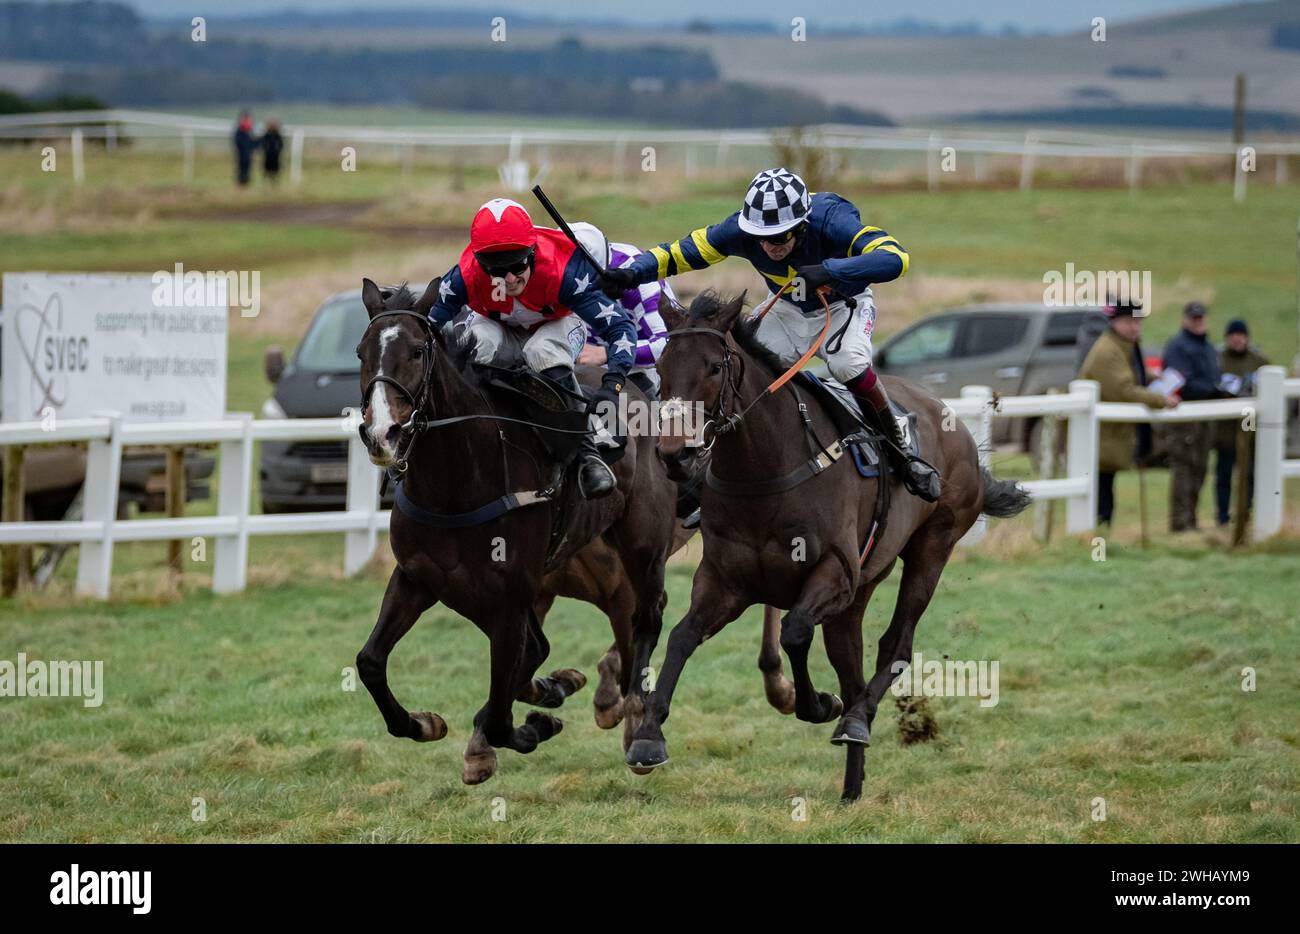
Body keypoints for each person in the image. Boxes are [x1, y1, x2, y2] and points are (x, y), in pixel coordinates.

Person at [600, 167, 939, 501]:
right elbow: (679, 252)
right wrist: (631, 273)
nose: (769, 247)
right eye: (761, 238)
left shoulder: (833, 220)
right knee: (746, 373)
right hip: (787, 309)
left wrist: (830, 270)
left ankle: (902, 454)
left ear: (802, 226)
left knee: (847, 363)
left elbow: (896, 258)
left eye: (779, 238)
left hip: (843, 305)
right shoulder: (740, 230)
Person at [426, 198, 638, 500]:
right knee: (477, 344)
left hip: (559, 324)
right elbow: (425, 331)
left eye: (517, 265)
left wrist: (613, 383)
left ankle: (586, 454)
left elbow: (620, 329)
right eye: (497, 270)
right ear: (479, 263)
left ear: (533, 252)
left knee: (542, 350)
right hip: (496, 326)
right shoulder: (464, 276)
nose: (510, 279)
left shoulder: (565, 272)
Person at [1080, 300, 1178, 526]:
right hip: (1102, 435)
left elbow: (1128, 378)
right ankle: (1097, 537)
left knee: (1104, 488)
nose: (1135, 327)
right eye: (1129, 322)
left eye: (1138, 322)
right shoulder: (1108, 351)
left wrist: (1151, 377)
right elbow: (1123, 390)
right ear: (1115, 322)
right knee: (1101, 491)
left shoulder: (1122, 346)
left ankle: (1099, 536)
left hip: (1108, 435)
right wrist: (1161, 399)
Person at [569, 222, 672, 401]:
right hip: (580, 364)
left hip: (641, 369)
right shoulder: (551, 272)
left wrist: (606, 353)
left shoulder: (640, 282)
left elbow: (668, 345)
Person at [1162, 301, 1223, 532]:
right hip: (1186, 415)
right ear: (1185, 319)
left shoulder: (1208, 347)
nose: (1198, 322)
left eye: (1201, 318)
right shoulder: (1178, 346)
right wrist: (1211, 389)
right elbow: (1180, 380)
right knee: (1184, 467)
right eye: (1194, 318)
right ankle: (1181, 522)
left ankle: (1192, 519)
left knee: (1200, 466)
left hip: (1206, 414)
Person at [1214, 318, 1269, 526]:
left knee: (1249, 474)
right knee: (1224, 474)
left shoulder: (1260, 361)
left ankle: (1245, 512)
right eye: (1233, 335)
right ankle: (1222, 516)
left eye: (1240, 335)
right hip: (1225, 429)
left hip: (1250, 428)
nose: (1237, 339)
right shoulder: (1218, 359)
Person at [233, 110, 258, 187]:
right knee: (241, 169)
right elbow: (237, 142)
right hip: (241, 154)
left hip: (248, 154)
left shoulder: (250, 130)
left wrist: (255, 146)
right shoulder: (239, 130)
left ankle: (246, 184)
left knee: (248, 170)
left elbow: (255, 143)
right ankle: (240, 185)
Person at [261, 119, 284, 184]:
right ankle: (267, 182)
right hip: (268, 156)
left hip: (275, 156)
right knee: (267, 170)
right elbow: (263, 144)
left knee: (275, 171)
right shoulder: (267, 135)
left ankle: (274, 182)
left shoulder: (277, 135)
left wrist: (277, 150)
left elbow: (281, 144)